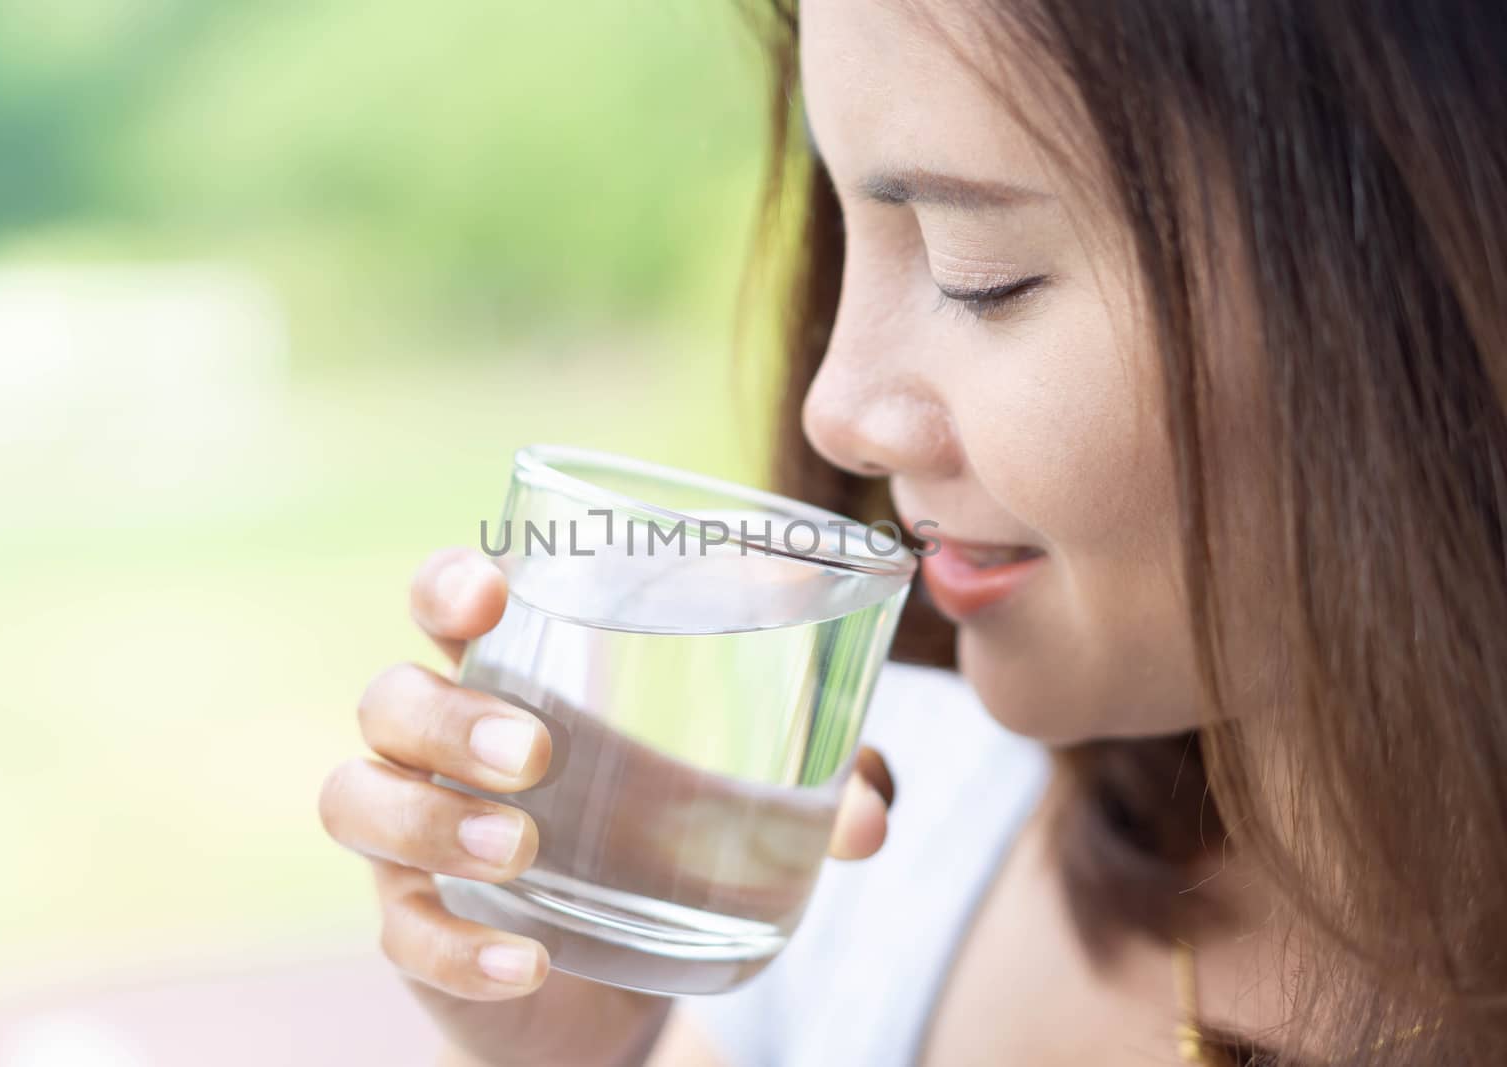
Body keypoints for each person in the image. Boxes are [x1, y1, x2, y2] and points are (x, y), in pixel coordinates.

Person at [317, 0, 1507, 1062]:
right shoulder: (883, 855)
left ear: (1427, 274)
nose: (832, 411)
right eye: (846, 238)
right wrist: (584, 1049)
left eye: (976, 272)